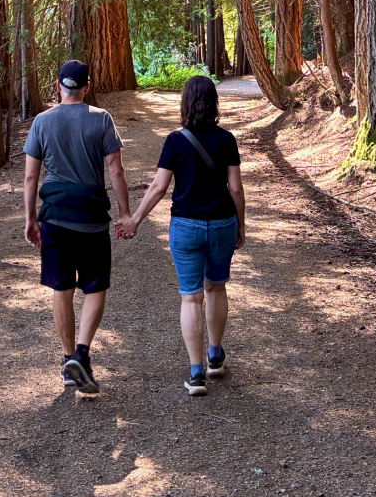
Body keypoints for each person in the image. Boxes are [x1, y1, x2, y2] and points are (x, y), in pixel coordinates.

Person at [117, 74, 244, 397]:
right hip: (221, 225)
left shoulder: (175, 141)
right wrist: (240, 224)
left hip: (186, 227)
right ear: (214, 103)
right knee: (216, 288)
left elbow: (159, 187)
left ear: (185, 103)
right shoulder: (227, 140)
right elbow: (235, 188)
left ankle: (196, 372)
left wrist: (135, 220)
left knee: (191, 296)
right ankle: (215, 354)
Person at [23, 60, 130, 397]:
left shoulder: (42, 122)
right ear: (86, 87)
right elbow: (115, 172)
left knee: (62, 287)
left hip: (54, 216)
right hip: (91, 217)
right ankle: (82, 353)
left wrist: (30, 218)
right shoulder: (101, 119)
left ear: (58, 86)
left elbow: (30, 176)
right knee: (95, 287)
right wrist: (126, 213)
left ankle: (69, 359)